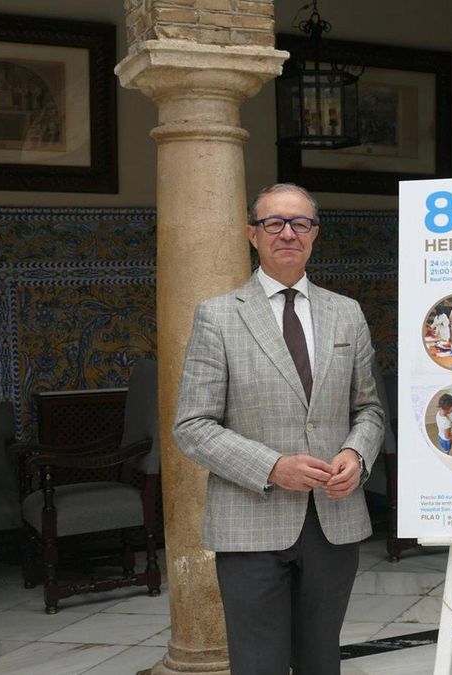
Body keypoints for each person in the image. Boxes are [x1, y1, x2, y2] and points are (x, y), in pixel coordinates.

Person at [174, 183, 385, 675]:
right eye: (274, 223)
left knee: (320, 661)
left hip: (333, 522)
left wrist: (357, 455)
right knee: (258, 664)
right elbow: (192, 425)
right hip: (251, 521)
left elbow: (370, 409)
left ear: (314, 234)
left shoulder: (346, 313)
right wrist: (272, 466)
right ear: (253, 234)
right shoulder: (219, 316)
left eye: (300, 223)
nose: (288, 233)